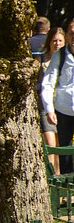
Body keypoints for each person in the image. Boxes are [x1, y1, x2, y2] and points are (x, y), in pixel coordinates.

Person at [41, 29, 74, 175]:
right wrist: (49, 109)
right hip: (63, 110)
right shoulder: (60, 56)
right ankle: (67, 190)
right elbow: (48, 83)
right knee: (65, 151)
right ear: (67, 36)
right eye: (72, 33)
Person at [40, 28, 66, 170]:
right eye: (54, 40)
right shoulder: (42, 60)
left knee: (60, 144)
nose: (57, 44)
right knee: (50, 144)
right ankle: (52, 177)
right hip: (45, 108)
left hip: (62, 106)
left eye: (60, 41)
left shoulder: (66, 59)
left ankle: (59, 175)